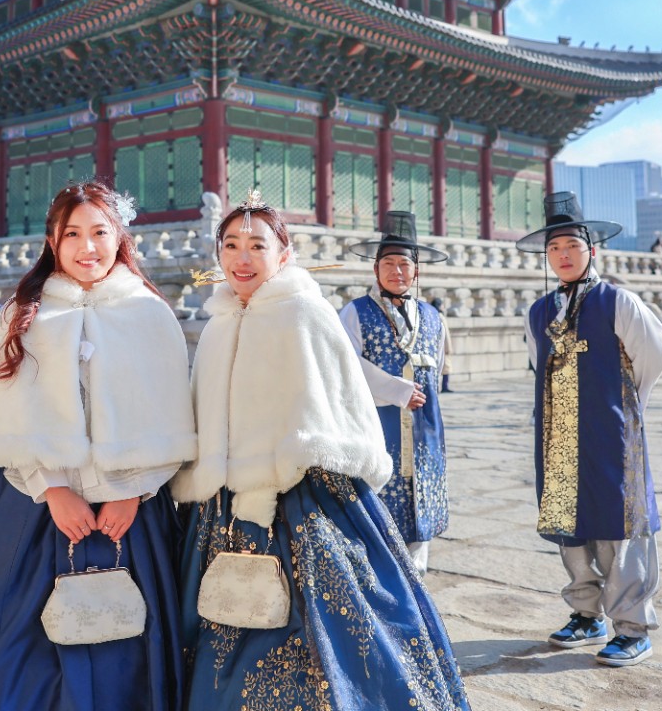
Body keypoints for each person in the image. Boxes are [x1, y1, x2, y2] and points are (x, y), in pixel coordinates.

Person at [0, 182, 195, 711]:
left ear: (119, 237)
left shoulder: (148, 312)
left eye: (100, 233)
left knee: (128, 642)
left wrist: (134, 490)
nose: (87, 247)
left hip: (132, 509)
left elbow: (170, 412)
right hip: (32, 499)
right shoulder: (26, 311)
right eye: (72, 234)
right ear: (53, 242)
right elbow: (7, 410)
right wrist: (53, 488)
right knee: (5, 643)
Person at [173, 190, 468, 711]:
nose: (243, 258)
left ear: (283, 254)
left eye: (257, 246)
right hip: (221, 505)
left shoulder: (305, 313)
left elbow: (341, 399)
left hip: (302, 498)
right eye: (232, 245)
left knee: (328, 629)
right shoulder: (218, 322)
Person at [518, 191, 662, 668]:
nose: (562, 256)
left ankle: (632, 627)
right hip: (558, 436)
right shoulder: (539, 311)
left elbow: (653, 355)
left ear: (591, 251)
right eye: (554, 249)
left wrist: (626, 408)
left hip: (610, 434)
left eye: (571, 246)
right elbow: (534, 364)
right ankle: (586, 614)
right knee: (570, 529)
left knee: (619, 527)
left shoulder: (617, 301)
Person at [337, 210, 451, 576]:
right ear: (375, 269)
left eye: (405, 264)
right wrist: (397, 390)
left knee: (421, 515)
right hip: (378, 426)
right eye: (388, 263)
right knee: (377, 509)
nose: (396, 271)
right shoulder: (355, 313)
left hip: (424, 432)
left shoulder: (433, 317)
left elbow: (438, 366)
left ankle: (418, 589)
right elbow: (345, 366)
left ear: (416, 271)